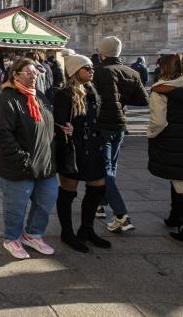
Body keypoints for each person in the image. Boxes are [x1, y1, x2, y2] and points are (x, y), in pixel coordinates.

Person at [0, 58, 56, 260]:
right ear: (15, 75)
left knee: (46, 201)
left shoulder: (41, 98)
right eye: (28, 72)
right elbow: (1, 135)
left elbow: (48, 125)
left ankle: (33, 234)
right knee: (15, 207)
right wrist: (23, 159)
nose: (33, 76)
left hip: (45, 163)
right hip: (18, 166)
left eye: (35, 72)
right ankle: (12, 238)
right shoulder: (6, 100)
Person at [54, 51, 111, 253]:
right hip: (73, 148)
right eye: (87, 68)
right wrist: (70, 130)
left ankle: (87, 229)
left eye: (91, 68)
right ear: (75, 71)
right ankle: (67, 232)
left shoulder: (91, 90)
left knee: (98, 187)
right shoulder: (64, 94)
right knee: (68, 191)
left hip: (93, 146)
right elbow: (60, 124)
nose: (91, 71)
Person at [92, 36, 149, 232]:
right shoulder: (131, 72)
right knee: (111, 167)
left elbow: (98, 98)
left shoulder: (100, 71)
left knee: (104, 168)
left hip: (103, 124)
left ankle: (121, 214)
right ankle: (100, 204)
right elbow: (143, 100)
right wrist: (123, 101)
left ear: (103, 52)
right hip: (120, 125)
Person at [147, 54, 183, 242]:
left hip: (174, 140)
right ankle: (175, 216)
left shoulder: (161, 89)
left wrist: (151, 134)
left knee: (179, 180)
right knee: (178, 177)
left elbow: (158, 122)